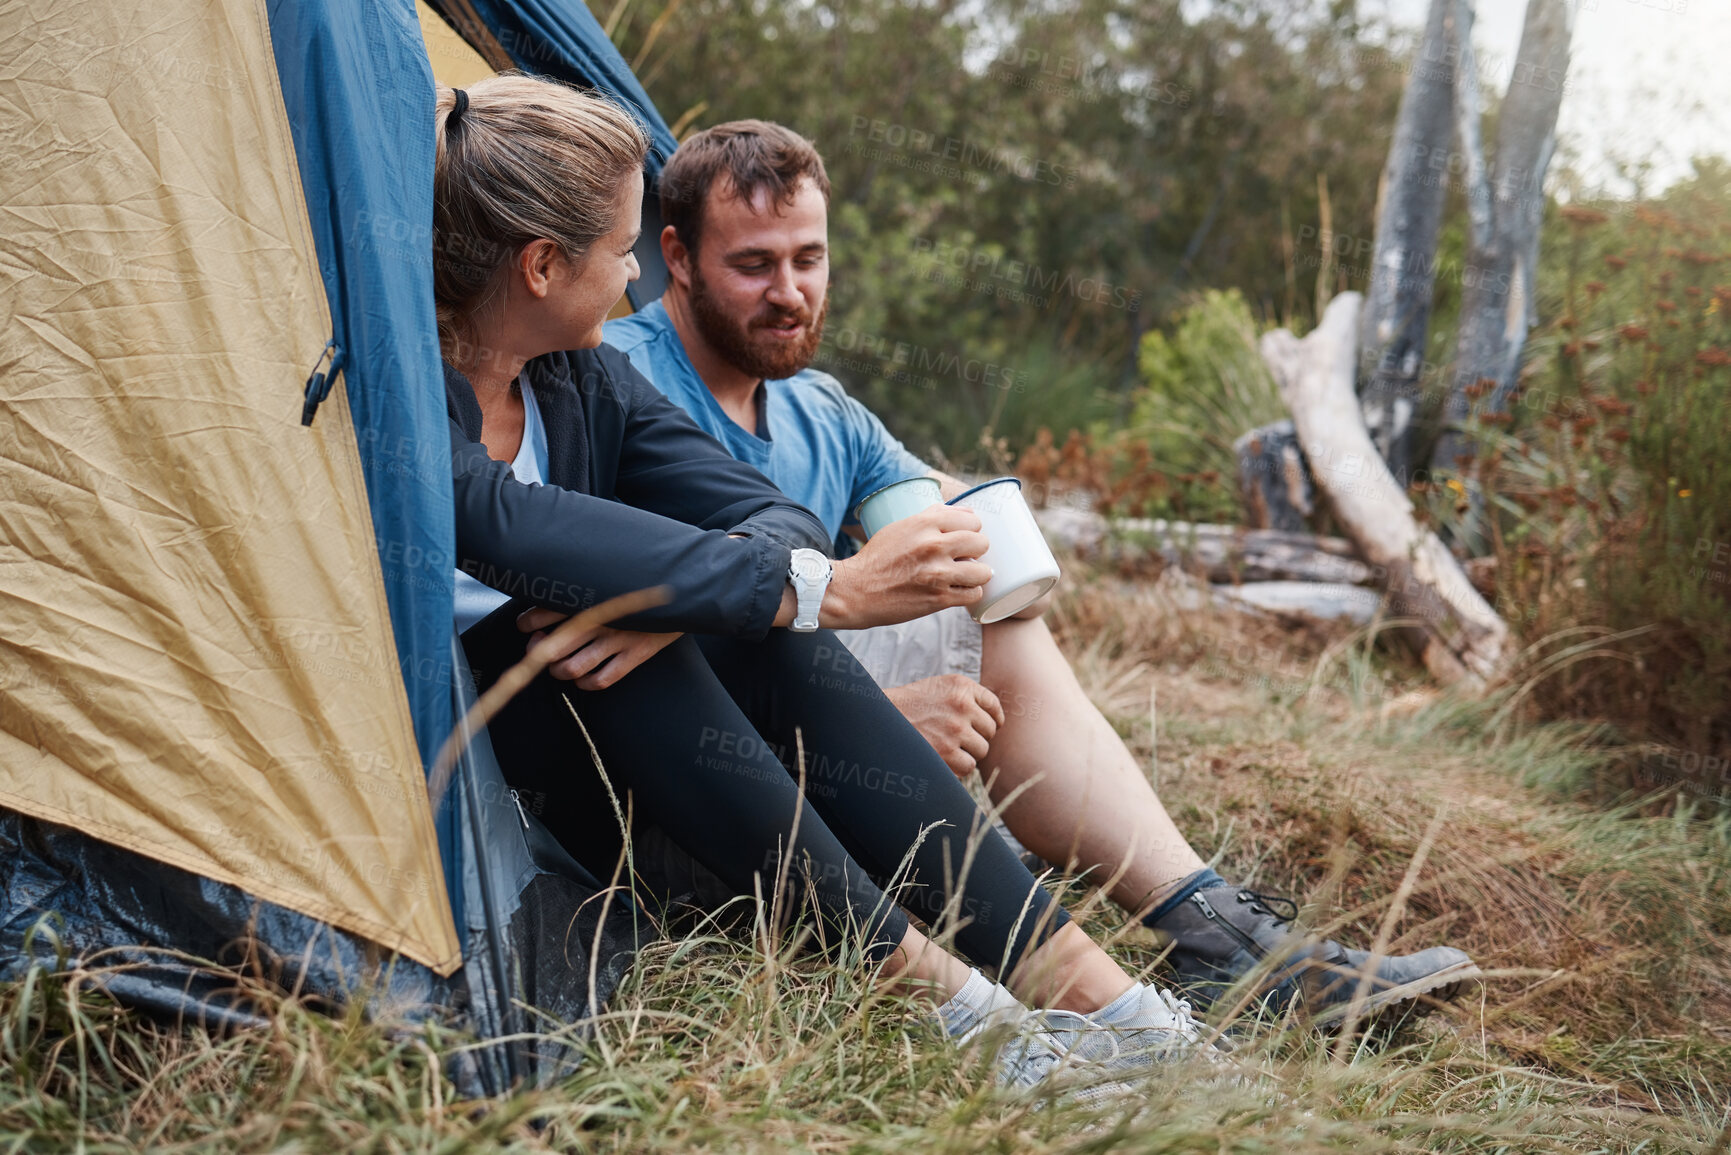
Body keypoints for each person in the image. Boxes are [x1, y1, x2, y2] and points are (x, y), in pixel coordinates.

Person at [431, 73, 1217, 1093]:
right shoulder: (408, 389)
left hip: (653, 764)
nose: (633, 281)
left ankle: (1103, 999)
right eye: (621, 250)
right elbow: (504, 521)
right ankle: (962, 1012)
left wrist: (753, 593)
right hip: (492, 760)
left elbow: (774, 515)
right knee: (643, 633)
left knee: (736, 618)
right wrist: (805, 591)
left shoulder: (580, 380)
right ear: (542, 266)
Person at [600, 119, 1480, 1022]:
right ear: (675, 255)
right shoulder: (618, 384)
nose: (789, 293)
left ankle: (1226, 937)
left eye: (809, 259)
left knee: (989, 590)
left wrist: (987, 532)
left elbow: (946, 507)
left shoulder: (818, 407)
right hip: (686, 779)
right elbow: (623, 654)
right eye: (754, 265)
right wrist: (867, 728)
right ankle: (1185, 954)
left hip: (801, 713)